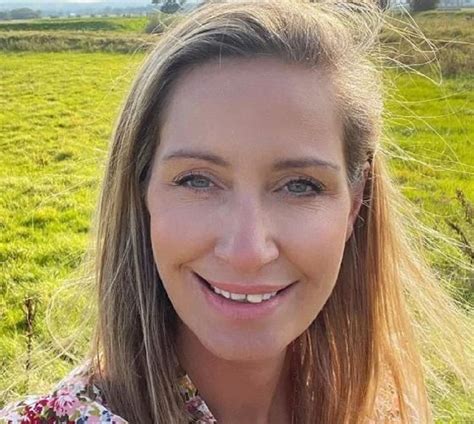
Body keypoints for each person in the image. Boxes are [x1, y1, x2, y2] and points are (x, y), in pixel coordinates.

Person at [1, 1, 471, 423]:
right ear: (141, 192)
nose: (247, 252)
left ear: (355, 202)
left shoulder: (384, 408)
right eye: (197, 180)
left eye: (300, 185)